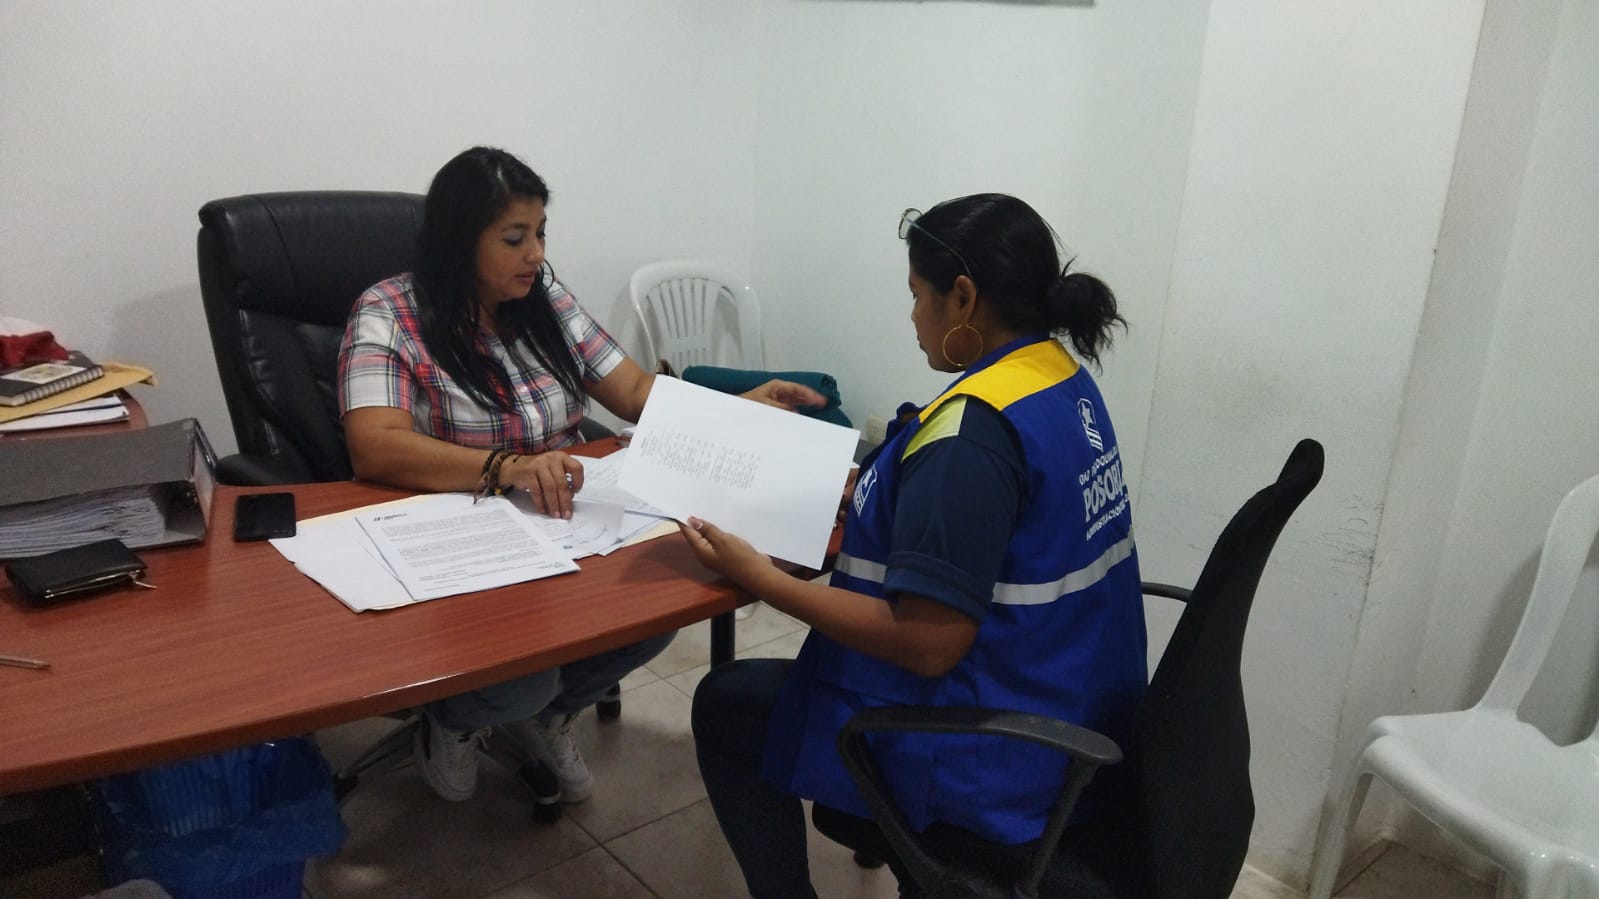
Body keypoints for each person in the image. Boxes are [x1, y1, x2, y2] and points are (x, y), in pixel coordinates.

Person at [679, 194, 1147, 898]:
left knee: (726, 704)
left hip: (990, 754)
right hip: (1067, 707)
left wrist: (762, 578)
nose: (911, 315)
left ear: (963, 297)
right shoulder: (1055, 378)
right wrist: (877, 492)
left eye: (916, 294)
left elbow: (927, 644)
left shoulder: (971, 433)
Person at [337, 146, 824, 805]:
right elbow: (375, 446)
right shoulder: (389, 313)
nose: (535, 254)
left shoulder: (541, 297)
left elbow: (633, 391)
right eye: (515, 238)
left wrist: (734, 409)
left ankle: (547, 718)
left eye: (540, 233)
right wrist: (506, 467)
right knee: (524, 677)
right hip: (463, 524)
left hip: (565, 516)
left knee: (652, 613)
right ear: (459, 240)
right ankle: (455, 720)